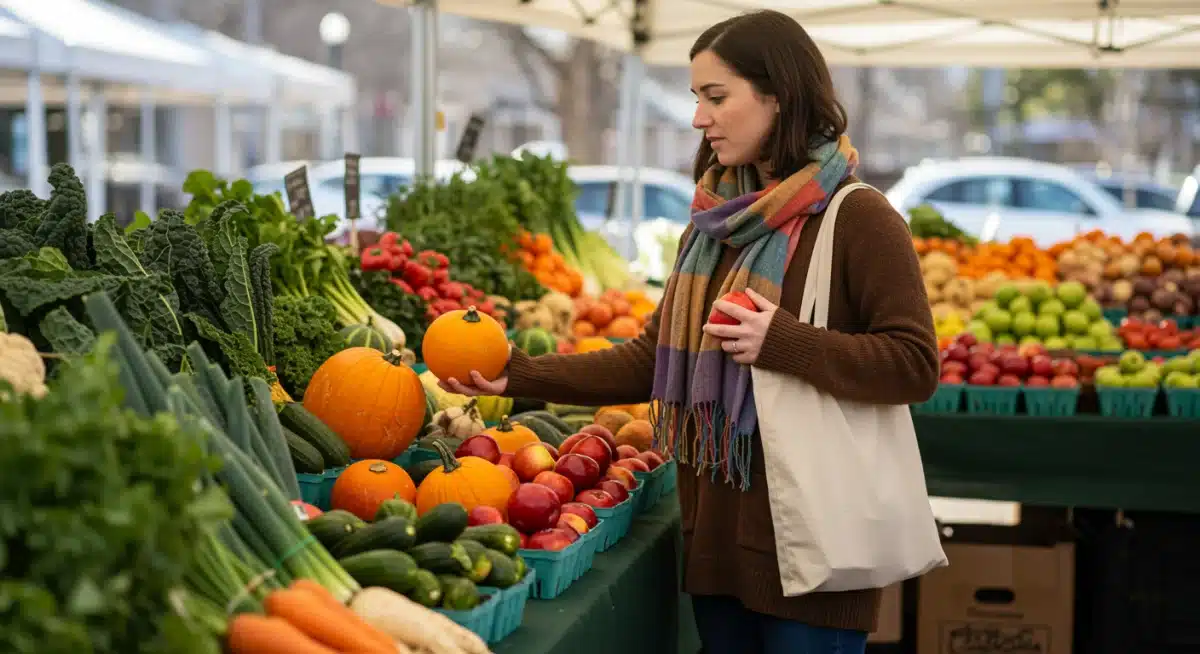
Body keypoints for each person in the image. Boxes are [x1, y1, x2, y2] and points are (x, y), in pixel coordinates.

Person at [440, 9, 939, 654]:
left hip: (813, 554)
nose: (699, 118)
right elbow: (652, 360)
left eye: (716, 97)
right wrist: (521, 373)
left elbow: (914, 363)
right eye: (696, 99)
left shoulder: (859, 217)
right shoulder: (714, 226)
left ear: (778, 97)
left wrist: (782, 342)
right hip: (717, 542)